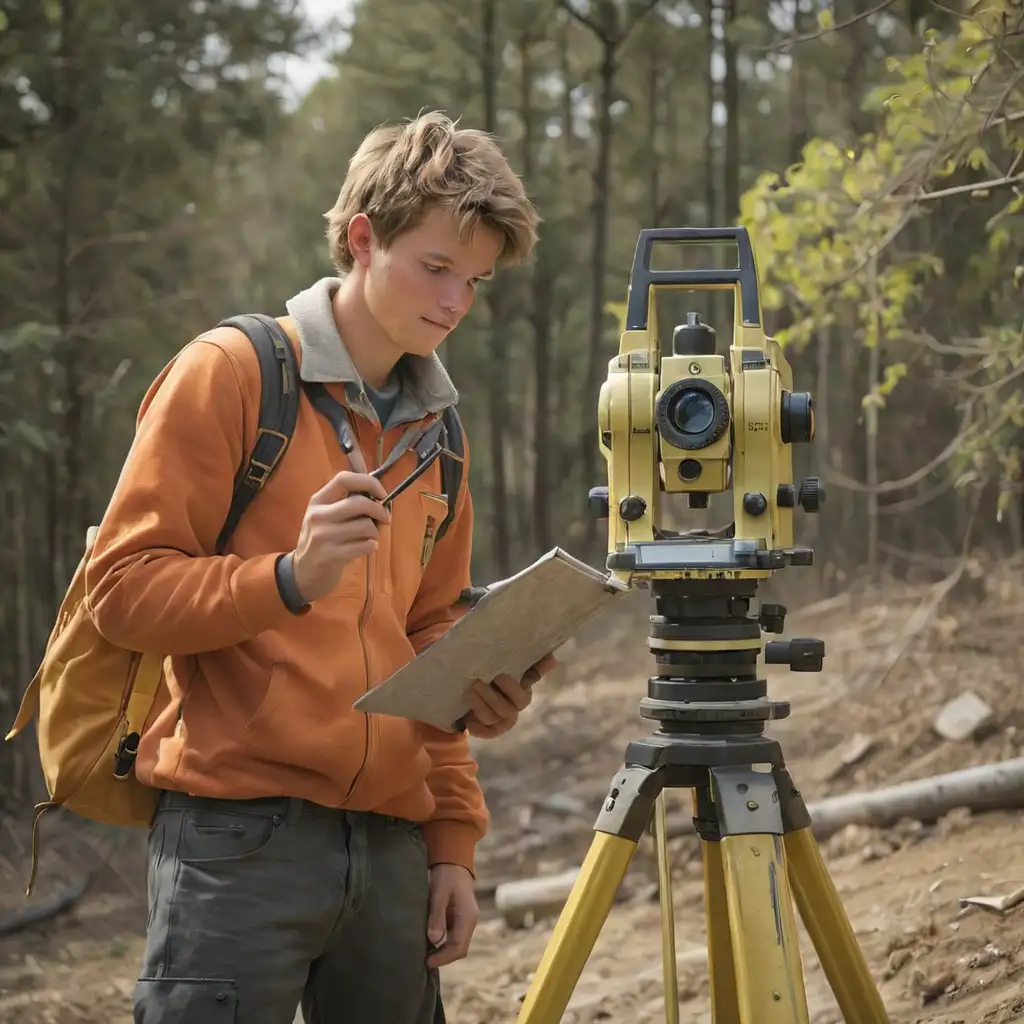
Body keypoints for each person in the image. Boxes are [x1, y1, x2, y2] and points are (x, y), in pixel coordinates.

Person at [84, 111, 555, 1024]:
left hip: (391, 852)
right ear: (362, 238)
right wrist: (288, 576)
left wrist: (453, 834)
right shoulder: (231, 374)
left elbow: (429, 641)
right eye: (436, 267)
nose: (456, 303)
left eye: (477, 282)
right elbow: (121, 591)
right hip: (236, 844)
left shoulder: (439, 431)